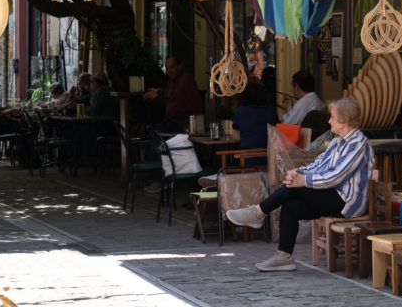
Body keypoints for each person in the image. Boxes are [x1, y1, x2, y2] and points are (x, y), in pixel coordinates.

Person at [226, 98, 374, 272]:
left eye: (332, 117)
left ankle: (258, 212)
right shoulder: (338, 141)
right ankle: (284, 257)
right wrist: (298, 172)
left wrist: (303, 181)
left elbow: (336, 176)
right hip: (332, 196)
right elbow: (319, 165)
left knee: (298, 188)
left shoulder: (358, 144)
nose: (329, 121)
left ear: (345, 120)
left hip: (347, 203)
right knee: (291, 205)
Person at [142, 56, 203, 133]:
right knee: (153, 130)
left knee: (158, 132)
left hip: (181, 121)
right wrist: (156, 96)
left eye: (172, 67)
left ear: (179, 67)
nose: (169, 71)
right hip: (170, 119)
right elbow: (167, 101)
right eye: (167, 69)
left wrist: (194, 126)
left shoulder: (186, 79)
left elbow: (197, 103)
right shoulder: (170, 82)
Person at [232, 79, 278, 150]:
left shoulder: (241, 111)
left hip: (247, 157)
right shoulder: (271, 110)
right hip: (270, 156)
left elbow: (236, 137)